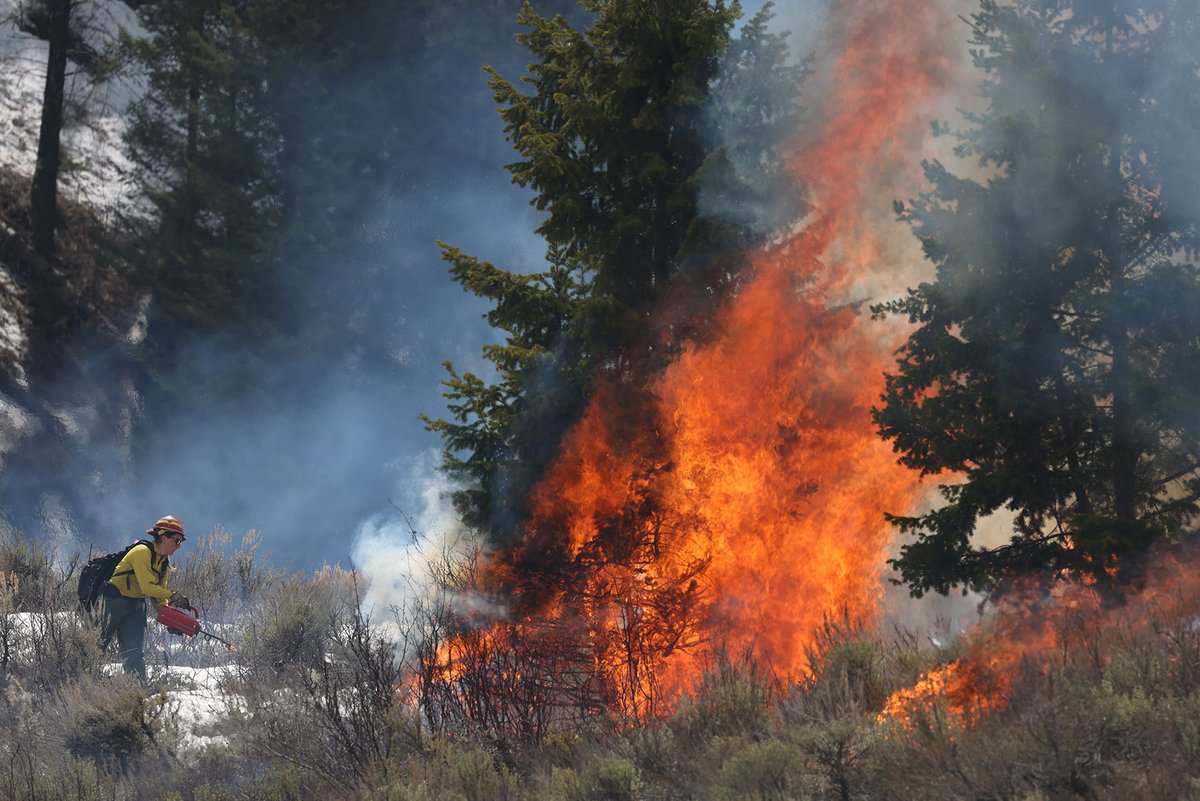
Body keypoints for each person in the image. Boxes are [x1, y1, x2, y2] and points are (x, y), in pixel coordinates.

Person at [100, 515, 192, 684]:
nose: (179, 546)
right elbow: (147, 587)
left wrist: (170, 620)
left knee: (134, 654)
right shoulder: (142, 552)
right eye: (177, 541)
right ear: (163, 537)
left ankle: (137, 694)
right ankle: (73, 686)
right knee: (96, 648)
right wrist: (173, 595)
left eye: (181, 542)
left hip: (135, 606)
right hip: (112, 603)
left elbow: (157, 596)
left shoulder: (163, 562)